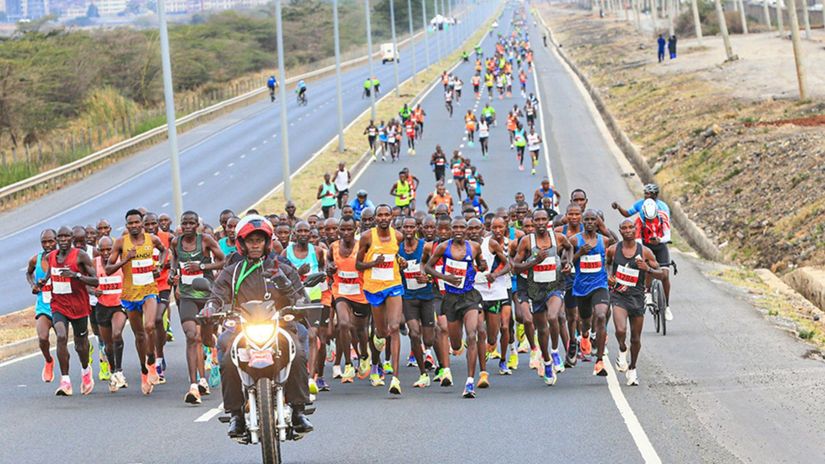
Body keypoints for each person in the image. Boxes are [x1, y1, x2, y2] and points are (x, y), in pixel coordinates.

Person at [204, 215, 313, 437]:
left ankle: (299, 411)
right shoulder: (232, 271)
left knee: (298, 353)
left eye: (259, 240)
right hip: (242, 328)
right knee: (226, 356)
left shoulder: (282, 268)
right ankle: (235, 414)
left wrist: (283, 282)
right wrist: (209, 306)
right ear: (242, 243)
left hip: (279, 326)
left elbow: (301, 299)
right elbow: (216, 296)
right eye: (250, 240)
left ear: (267, 242)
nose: (255, 244)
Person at [424, 217, 487, 398]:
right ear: (451, 230)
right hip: (451, 298)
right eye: (455, 227)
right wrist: (445, 278)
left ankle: (469, 382)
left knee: (473, 335)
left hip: (469, 297)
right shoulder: (443, 247)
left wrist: (481, 266)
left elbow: (481, 263)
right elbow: (428, 267)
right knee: (456, 343)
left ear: (466, 230)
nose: (458, 230)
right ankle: (459, 347)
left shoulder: (474, 247)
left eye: (462, 227)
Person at [106, 209, 166, 395]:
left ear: (142, 223)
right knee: (139, 335)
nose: (133, 226)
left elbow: (165, 251)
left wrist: (159, 266)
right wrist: (126, 260)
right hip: (130, 295)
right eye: (129, 223)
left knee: (150, 326)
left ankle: (151, 361)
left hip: (149, 290)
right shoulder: (120, 242)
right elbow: (108, 269)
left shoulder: (152, 240)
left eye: (136, 222)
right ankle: (144, 370)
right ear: (126, 226)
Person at [168, 211, 226, 404]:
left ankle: (213, 353)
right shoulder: (176, 242)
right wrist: (173, 274)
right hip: (187, 296)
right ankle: (195, 384)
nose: (187, 227)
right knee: (192, 336)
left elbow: (222, 261)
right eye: (184, 223)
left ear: (197, 225)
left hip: (207, 295)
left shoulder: (206, 240)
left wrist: (201, 268)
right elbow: (174, 261)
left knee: (207, 339)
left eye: (191, 223)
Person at [513, 210, 573, 385]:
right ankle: (546, 361)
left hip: (554, 285)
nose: (540, 222)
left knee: (553, 316)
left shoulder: (558, 238)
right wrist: (534, 262)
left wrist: (567, 262)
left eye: (543, 219)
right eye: (537, 220)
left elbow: (569, 248)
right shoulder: (526, 241)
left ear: (548, 221)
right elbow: (515, 268)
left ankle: (555, 351)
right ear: (532, 222)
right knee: (542, 329)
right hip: (534, 288)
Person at [607, 219, 666, 386]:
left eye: (630, 227)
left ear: (635, 230)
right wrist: (609, 277)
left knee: (635, 338)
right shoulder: (613, 250)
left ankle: (632, 369)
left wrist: (647, 269)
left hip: (638, 297)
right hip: (619, 296)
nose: (627, 230)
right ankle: (622, 349)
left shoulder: (645, 252)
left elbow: (662, 274)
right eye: (624, 228)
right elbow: (607, 265)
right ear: (620, 231)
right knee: (620, 330)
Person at [41, 226, 99, 396]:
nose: (64, 240)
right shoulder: (51, 256)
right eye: (60, 237)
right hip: (59, 305)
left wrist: (76, 276)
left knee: (81, 346)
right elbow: (48, 276)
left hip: (79, 306)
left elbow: (95, 281)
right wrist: (41, 284)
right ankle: (65, 381)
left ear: (72, 238)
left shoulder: (80, 255)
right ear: (57, 239)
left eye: (67, 236)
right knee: (61, 336)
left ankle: (85, 370)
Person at [356, 205, 406, 395]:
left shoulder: (398, 236)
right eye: (380, 215)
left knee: (394, 328)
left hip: (393, 285)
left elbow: (395, 255)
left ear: (392, 216)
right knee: (382, 331)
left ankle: (395, 379)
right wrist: (373, 264)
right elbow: (358, 264)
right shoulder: (367, 237)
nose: (384, 218)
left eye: (387, 215)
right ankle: (377, 341)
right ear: (376, 218)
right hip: (374, 288)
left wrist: (400, 261)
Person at [569, 210, 614, 377]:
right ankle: (586, 335)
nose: (589, 222)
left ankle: (599, 361)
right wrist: (579, 254)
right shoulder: (575, 240)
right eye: (586, 219)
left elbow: (612, 256)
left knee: (601, 315)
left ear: (597, 222)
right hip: (581, 287)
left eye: (592, 220)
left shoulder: (605, 240)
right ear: (582, 221)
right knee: (585, 321)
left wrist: (609, 274)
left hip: (600, 284)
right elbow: (566, 261)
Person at [328, 215, 371, 383]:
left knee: (360, 330)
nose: (346, 233)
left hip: (360, 293)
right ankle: (348, 364)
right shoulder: (333, 247)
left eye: (349, 229)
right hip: (341, 291)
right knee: (344, 324)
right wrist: (329, 268)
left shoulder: (362, 246)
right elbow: (329, 264)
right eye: (343, 229)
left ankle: (364, 355)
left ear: (355, 230)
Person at [473, 217, 513, 379]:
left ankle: (502, 358)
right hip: (476, 293)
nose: (473, 232)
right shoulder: (462, 246)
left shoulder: (491, 244)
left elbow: (509, 265)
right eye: (470, 229)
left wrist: (495, 274)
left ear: (482, 229)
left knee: (496, 332)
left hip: (497, 290)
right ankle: (483, 371)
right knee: (479, 331)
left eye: (476, 229)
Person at [398, 217, 436, 388]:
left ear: (416, 228)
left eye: (411, 227)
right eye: (405, 227)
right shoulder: (397, 249)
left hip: (426, 296)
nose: (408, 230)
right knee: (414, 333)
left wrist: (427, 277)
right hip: (408, 297)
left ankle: (432, 356)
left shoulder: (425, 246)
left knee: (428, 338)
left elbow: (433, 268)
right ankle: (423, 373)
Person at [93, 235, 128, 392]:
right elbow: (86, 282)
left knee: (116, 334)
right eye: (103, 250)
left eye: (109, 249)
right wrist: (93, 290)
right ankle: (113, 371)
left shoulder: (121, 261)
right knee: (107, 344)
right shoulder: (95, 263)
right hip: (102, 307)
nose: (106, 253)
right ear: (98, 251)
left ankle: (119, 371)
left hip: (119, 305)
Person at [634, 199, 673, 321]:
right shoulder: (639, 220)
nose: (650, 221)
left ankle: (666, 306)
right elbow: (638, 241)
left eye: (653, 218)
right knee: (649, 268)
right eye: (648, 219)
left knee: (665, 275)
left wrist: (659, 240)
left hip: (660, 246)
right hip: (646, 247)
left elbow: (668, 235)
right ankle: (648, 292)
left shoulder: (663, 217)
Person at [27, 229, 57, 383]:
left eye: (51, 241)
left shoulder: (63, 258)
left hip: (61, 306)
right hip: (43, 306)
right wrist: (33, 285)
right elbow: (29, 273)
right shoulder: (35, 260)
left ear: (57, 240)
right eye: (44, 242)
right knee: (42, 338)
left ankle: (67, 375)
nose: (48, 245)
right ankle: (48, 361)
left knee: (63, 339)